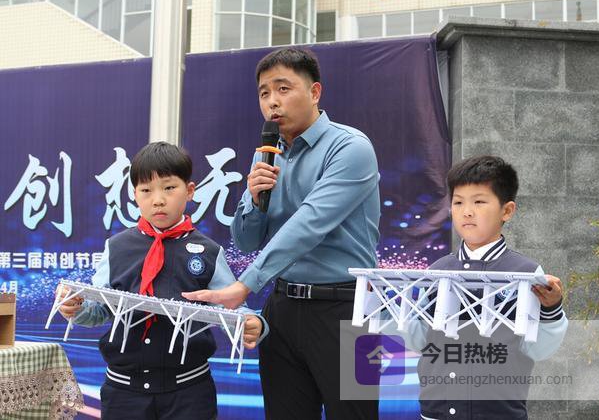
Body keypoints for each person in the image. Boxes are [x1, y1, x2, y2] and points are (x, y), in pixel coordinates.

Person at [183, 47, 381, 419]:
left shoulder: (351, 147)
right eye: (264, 93)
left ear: (315, 92)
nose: (272, 101)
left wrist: (245, 284)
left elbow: (310, 223)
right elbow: (245, 240)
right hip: (283, 309)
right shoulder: (266, 154)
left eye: (283, 88)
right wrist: (255, 199)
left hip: (350, 311)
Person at [58, 142, 267, 420]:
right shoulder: (116, 247)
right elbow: (99, 310)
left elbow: (231, 305)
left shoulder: (208, 252)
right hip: (123, 393)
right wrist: (75, 308)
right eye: (146, 190)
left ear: (189, 191)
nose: (158, 200)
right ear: (134, 194)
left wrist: (252, 323)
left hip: (189, 392)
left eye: (169, 188)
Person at [399, 155, 568, 420]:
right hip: (436, 412)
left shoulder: (525, 272)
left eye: (479, 202)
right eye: (458, 202)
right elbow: (418, 340)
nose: (467, 211)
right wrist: (397, 306)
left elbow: (540, 349)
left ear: (507, 211)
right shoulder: (437, 271)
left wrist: (552, 308)